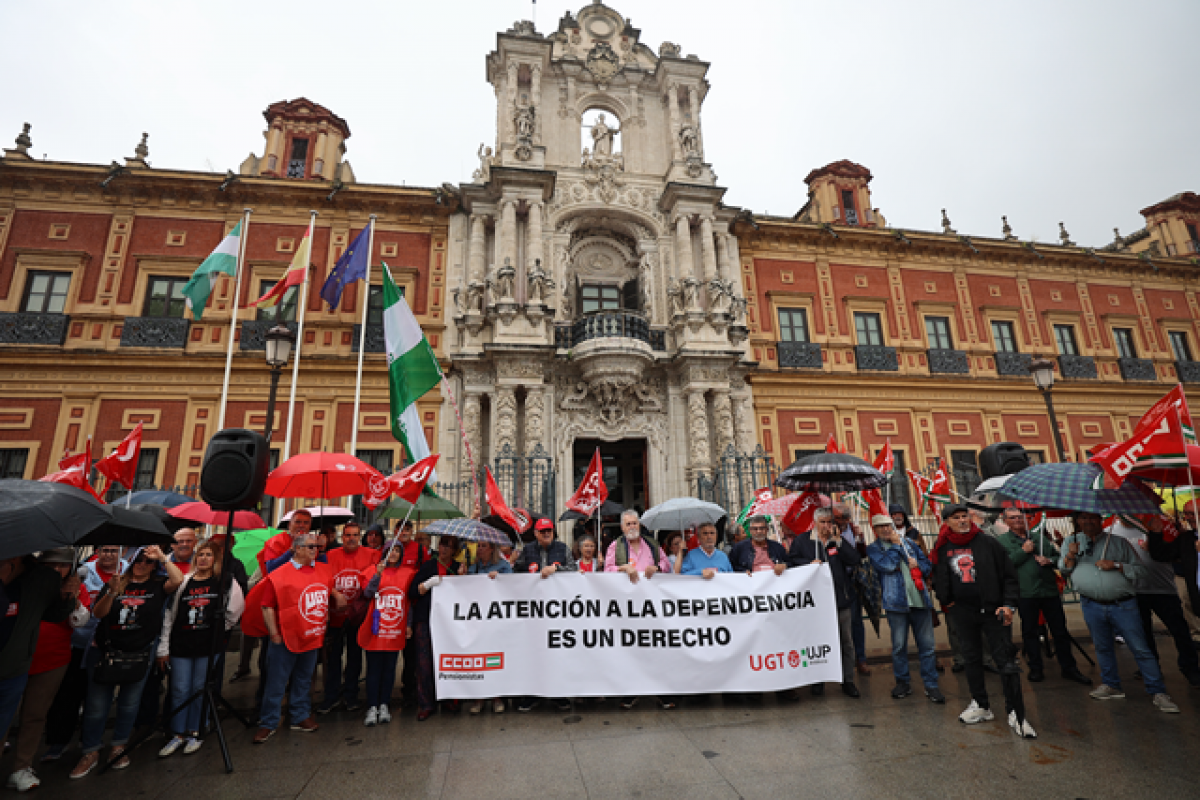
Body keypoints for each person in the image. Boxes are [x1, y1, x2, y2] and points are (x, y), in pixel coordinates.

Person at [70, 545, 184, 778]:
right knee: (96, 705)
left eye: (148, 562)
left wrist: (162, 557)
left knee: (130, 702)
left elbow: (178, 579)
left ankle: (118, 745)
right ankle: (90, 751)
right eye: (139, 560)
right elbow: (98, 614)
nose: (143, 564)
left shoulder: (157, 585)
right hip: (106, 651)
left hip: (139, 651)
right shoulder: (117, 581)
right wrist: (112, 592)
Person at [932, 505, 1034, 738]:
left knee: (1004, 660)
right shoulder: (944, 547)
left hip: (993, 610)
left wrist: (1008, 604)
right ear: (947, 522)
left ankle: (1014, 711)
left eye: (964, 516)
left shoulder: (987, 543)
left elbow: (1009, 575)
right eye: (956, 518)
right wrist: (947, 601)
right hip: (963, 612)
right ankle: (980, 703)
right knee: (971, 659)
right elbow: (939, 577)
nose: (962, 521)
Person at [1060, 512, 1178, 712]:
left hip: (1122, 605)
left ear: (1100, 520)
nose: (1088, 521)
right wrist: (1071, 554)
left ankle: (1158, 691)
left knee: (1140, 648)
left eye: (1092, 518)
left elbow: (1140, 571)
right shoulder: (1071, 541)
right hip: (1091, 605)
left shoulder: (1119, 543)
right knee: (1103, 647)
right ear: (1078, 521)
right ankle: (1111, 685)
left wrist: (1115, 565)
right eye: (1083, 518)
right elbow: (1064, 570)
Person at [0, 550, 83, 792]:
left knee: (34, 715)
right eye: (52, 564)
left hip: (29, 662)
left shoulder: (41, 578)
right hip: (10, 664)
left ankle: (21, 767)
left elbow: (54, 614)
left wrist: (66, 597)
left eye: (63, 565)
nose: (57, 569)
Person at [252, 533, 346, 744]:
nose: (316, 550)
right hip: (285, 636)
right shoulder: (279, 574)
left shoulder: (322, 570)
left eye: (317, 547)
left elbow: (326, 585)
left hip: (311, 635)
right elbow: (267, 605)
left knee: (304, 679)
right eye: (311, 546)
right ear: (297, 549)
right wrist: (274, 633)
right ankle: (268, 722)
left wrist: (336, 594)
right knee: (276, 682)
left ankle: (300, 715)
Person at [156, 540, 245, 757]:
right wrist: (164, 647)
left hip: (208, 646)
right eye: (201, 554)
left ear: (216, 560)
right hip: (182, 644)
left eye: (209, 555)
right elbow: (171, 615)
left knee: (199, 688)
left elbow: (235, 610)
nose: (204, 558)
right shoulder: (184, 582)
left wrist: (218, 630)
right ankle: (177, 732)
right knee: (179, 689)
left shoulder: (225, 582)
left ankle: (195, 730)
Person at [997, 508, 1090, 685]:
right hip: (1025, 593)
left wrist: (1050, 561)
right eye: (1013, 518)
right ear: (1006, 521)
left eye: (1020, 516)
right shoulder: (1002, 541)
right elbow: (1004, 566)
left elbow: (1057, 556)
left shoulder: (1038, 537)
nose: (1018, 520)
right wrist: (1023, 552)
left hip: (1048, 591)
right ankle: (1036, 668)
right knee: (1030, 632)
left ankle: (1069, 668)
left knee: (1060, 631)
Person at [1111, 515, 1200, 689]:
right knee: (1143, 633)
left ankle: (1191, 668)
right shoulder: (1110, 532)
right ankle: (1151, 668)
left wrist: (1156, 540)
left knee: (1180, 631)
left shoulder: (1157, 524)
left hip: (1163, 589)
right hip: (1135, 591)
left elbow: (1173, 552)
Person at [866, 515, 944, 703]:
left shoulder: (910, 543)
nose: (885, 529)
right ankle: (903, 682)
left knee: (927, 646)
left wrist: (919, 565)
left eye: (888, 525)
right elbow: (888, 565)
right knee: (899, 646)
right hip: (896, 603)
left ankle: (931, 684)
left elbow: (927, 565)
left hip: (920, 600)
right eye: (880, 527)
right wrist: (895, 546)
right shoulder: (874, 549)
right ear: (875, 530)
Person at [604, 510, 674, 709]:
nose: (632, 527)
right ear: (622, 527)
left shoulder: (652, 544)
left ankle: (661, 692)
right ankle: (631, 692)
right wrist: (623, 568)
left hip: (652, 606)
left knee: (656, 647)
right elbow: (607, 570)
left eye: (635, 523)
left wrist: (657, 568)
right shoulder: (615, 546)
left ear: (640, 525)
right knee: (632, 648)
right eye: (628, 524)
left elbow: (666, 564)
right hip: (628, 608)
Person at [789, 508, 861, 698]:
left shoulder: (836, 541)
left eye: (830, 522)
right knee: (816, 642)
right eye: (823, 522)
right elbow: (791, 562)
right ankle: (817, 681)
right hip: (815, 603)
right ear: (814, 522)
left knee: (846, 642)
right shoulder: (802, 541)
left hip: (839, 599)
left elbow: (854, 560)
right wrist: (807, 563)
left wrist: (839, 543)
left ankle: (848, 680)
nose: (827, 526)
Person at [516, 519, 577, 712]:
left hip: (557, 611)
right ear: (535, 533)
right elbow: (516, 573)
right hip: (533, 613)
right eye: (542, 531)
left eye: (549, 530)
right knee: (534, 652)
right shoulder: (527, 550)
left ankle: (558, 694)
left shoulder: (562, 548)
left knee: (555, 651)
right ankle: (533, 694)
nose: (546, 534)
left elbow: (574, 570)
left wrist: (556, 569)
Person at [319, 522, 379, 714]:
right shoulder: (330, 556)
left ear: (359, 536)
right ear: (342, 537)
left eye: (355, 535)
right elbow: (320, 579)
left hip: (357, 618)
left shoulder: (370, 555)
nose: (351, 538)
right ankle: (331, 697)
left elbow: (378, 576)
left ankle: (351, 696)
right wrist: (335, 593)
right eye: (347, 535)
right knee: (333, 659)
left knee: (354, 658)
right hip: (335, 617)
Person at [359, 541, 417, 726]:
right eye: (390, 550)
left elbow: (409, 602)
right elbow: (368, 593)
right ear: (384, 552)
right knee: (374, 670)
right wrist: (377, 574)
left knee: (390, 669)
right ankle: (372, 706)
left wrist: (408, 625)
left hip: (395, 629)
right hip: (376, 629)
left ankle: (384, 704)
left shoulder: (408, 574)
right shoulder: (371, 571)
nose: (393, 554)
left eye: (397, 550)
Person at [409, 535, 465, 721]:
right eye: (442, 544)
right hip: (425, 619)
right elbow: (412, 591)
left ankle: (449, 699)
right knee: (424, 662)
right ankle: (426, 703)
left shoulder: (459, 568)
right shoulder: (428, 566)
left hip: (449, 622)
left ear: (455, 550)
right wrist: (428, 583)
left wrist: (463, 579)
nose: (444, 549)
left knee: (448, 661)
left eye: (449, 546)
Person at [464, 541, 511, 715]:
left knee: (495, 657)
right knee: (479, 657)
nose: (480, 549)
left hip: (495, 619)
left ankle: (497, 697)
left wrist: (499, 577)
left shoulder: (503, 565)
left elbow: (513, 584)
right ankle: (479, 698)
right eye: (479, 546)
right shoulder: (473, 568)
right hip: (478, 620)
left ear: (491, 548)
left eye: (483, 546)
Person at [1148, 506, 1200, 641]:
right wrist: (1156, 533)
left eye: (1192, 513)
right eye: (1186, 514)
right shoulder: (1186, 539)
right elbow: (1161, 555)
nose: (1187, 518)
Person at [832, 503, 870, 677]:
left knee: (855, 621)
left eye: (838, 518)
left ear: (847, 519)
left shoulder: (853, 531)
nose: (835, 521)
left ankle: (860, 658)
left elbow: (861, 556)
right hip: (835, 581)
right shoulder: (829, 531)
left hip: (852, 581)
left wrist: (860, 539)